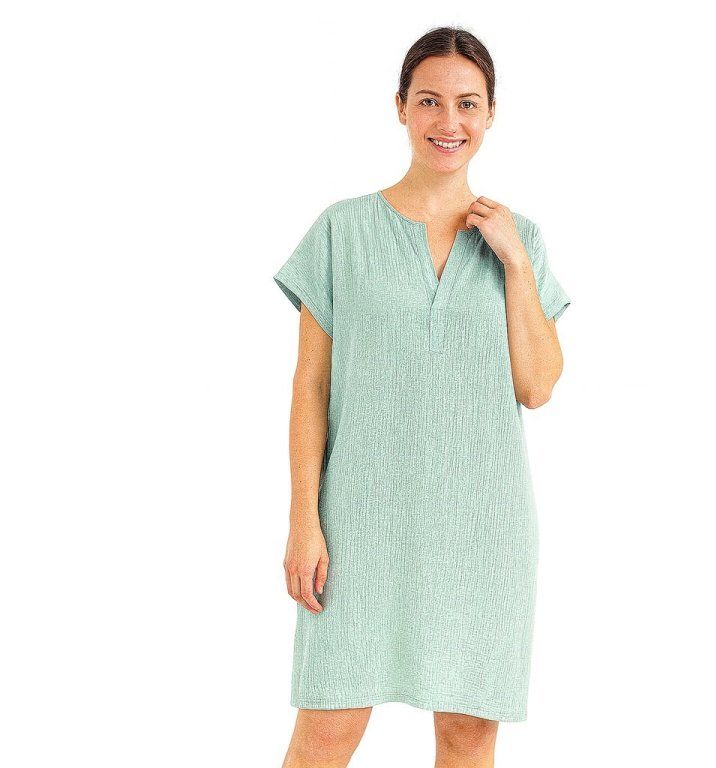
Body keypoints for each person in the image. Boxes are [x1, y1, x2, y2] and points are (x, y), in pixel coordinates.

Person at [274, 26, 572, 768]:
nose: (449, 121)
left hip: (483, 530)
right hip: (359, 525)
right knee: (327, 730)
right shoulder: (342, 230)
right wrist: (304, 519)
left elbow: (537, 386)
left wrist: (515, 265)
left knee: (468, 737)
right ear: (401, 107)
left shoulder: (521, 239)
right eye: (430, 101)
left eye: (467, 104)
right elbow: (310, 385)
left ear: (491, 113)